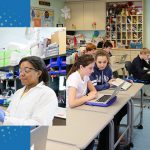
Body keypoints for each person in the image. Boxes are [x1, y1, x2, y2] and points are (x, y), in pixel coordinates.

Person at [0, 56, 58, 125]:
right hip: (13, 133)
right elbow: (10, 114)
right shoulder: (18, 92)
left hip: (32, 135)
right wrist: (4, 114)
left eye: (26, 70)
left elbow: (38, 124)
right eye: (20, 71)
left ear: (38, 73)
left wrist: (5, 119)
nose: (22, 74)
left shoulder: (47, 93)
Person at [90, 50, 127, 150]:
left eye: (104, 62)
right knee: (111, 115)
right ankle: (113, 135)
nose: (102, 65)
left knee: (124, 106)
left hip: (106, 94)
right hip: (95, 98)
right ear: (95, 62)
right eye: (99, 62)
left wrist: (125, 81)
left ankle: (115, 130)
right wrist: (107, 85)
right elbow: (95, 88)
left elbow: (112, 81)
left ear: (107, 62)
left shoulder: (108, 69)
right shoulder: (91, 70)